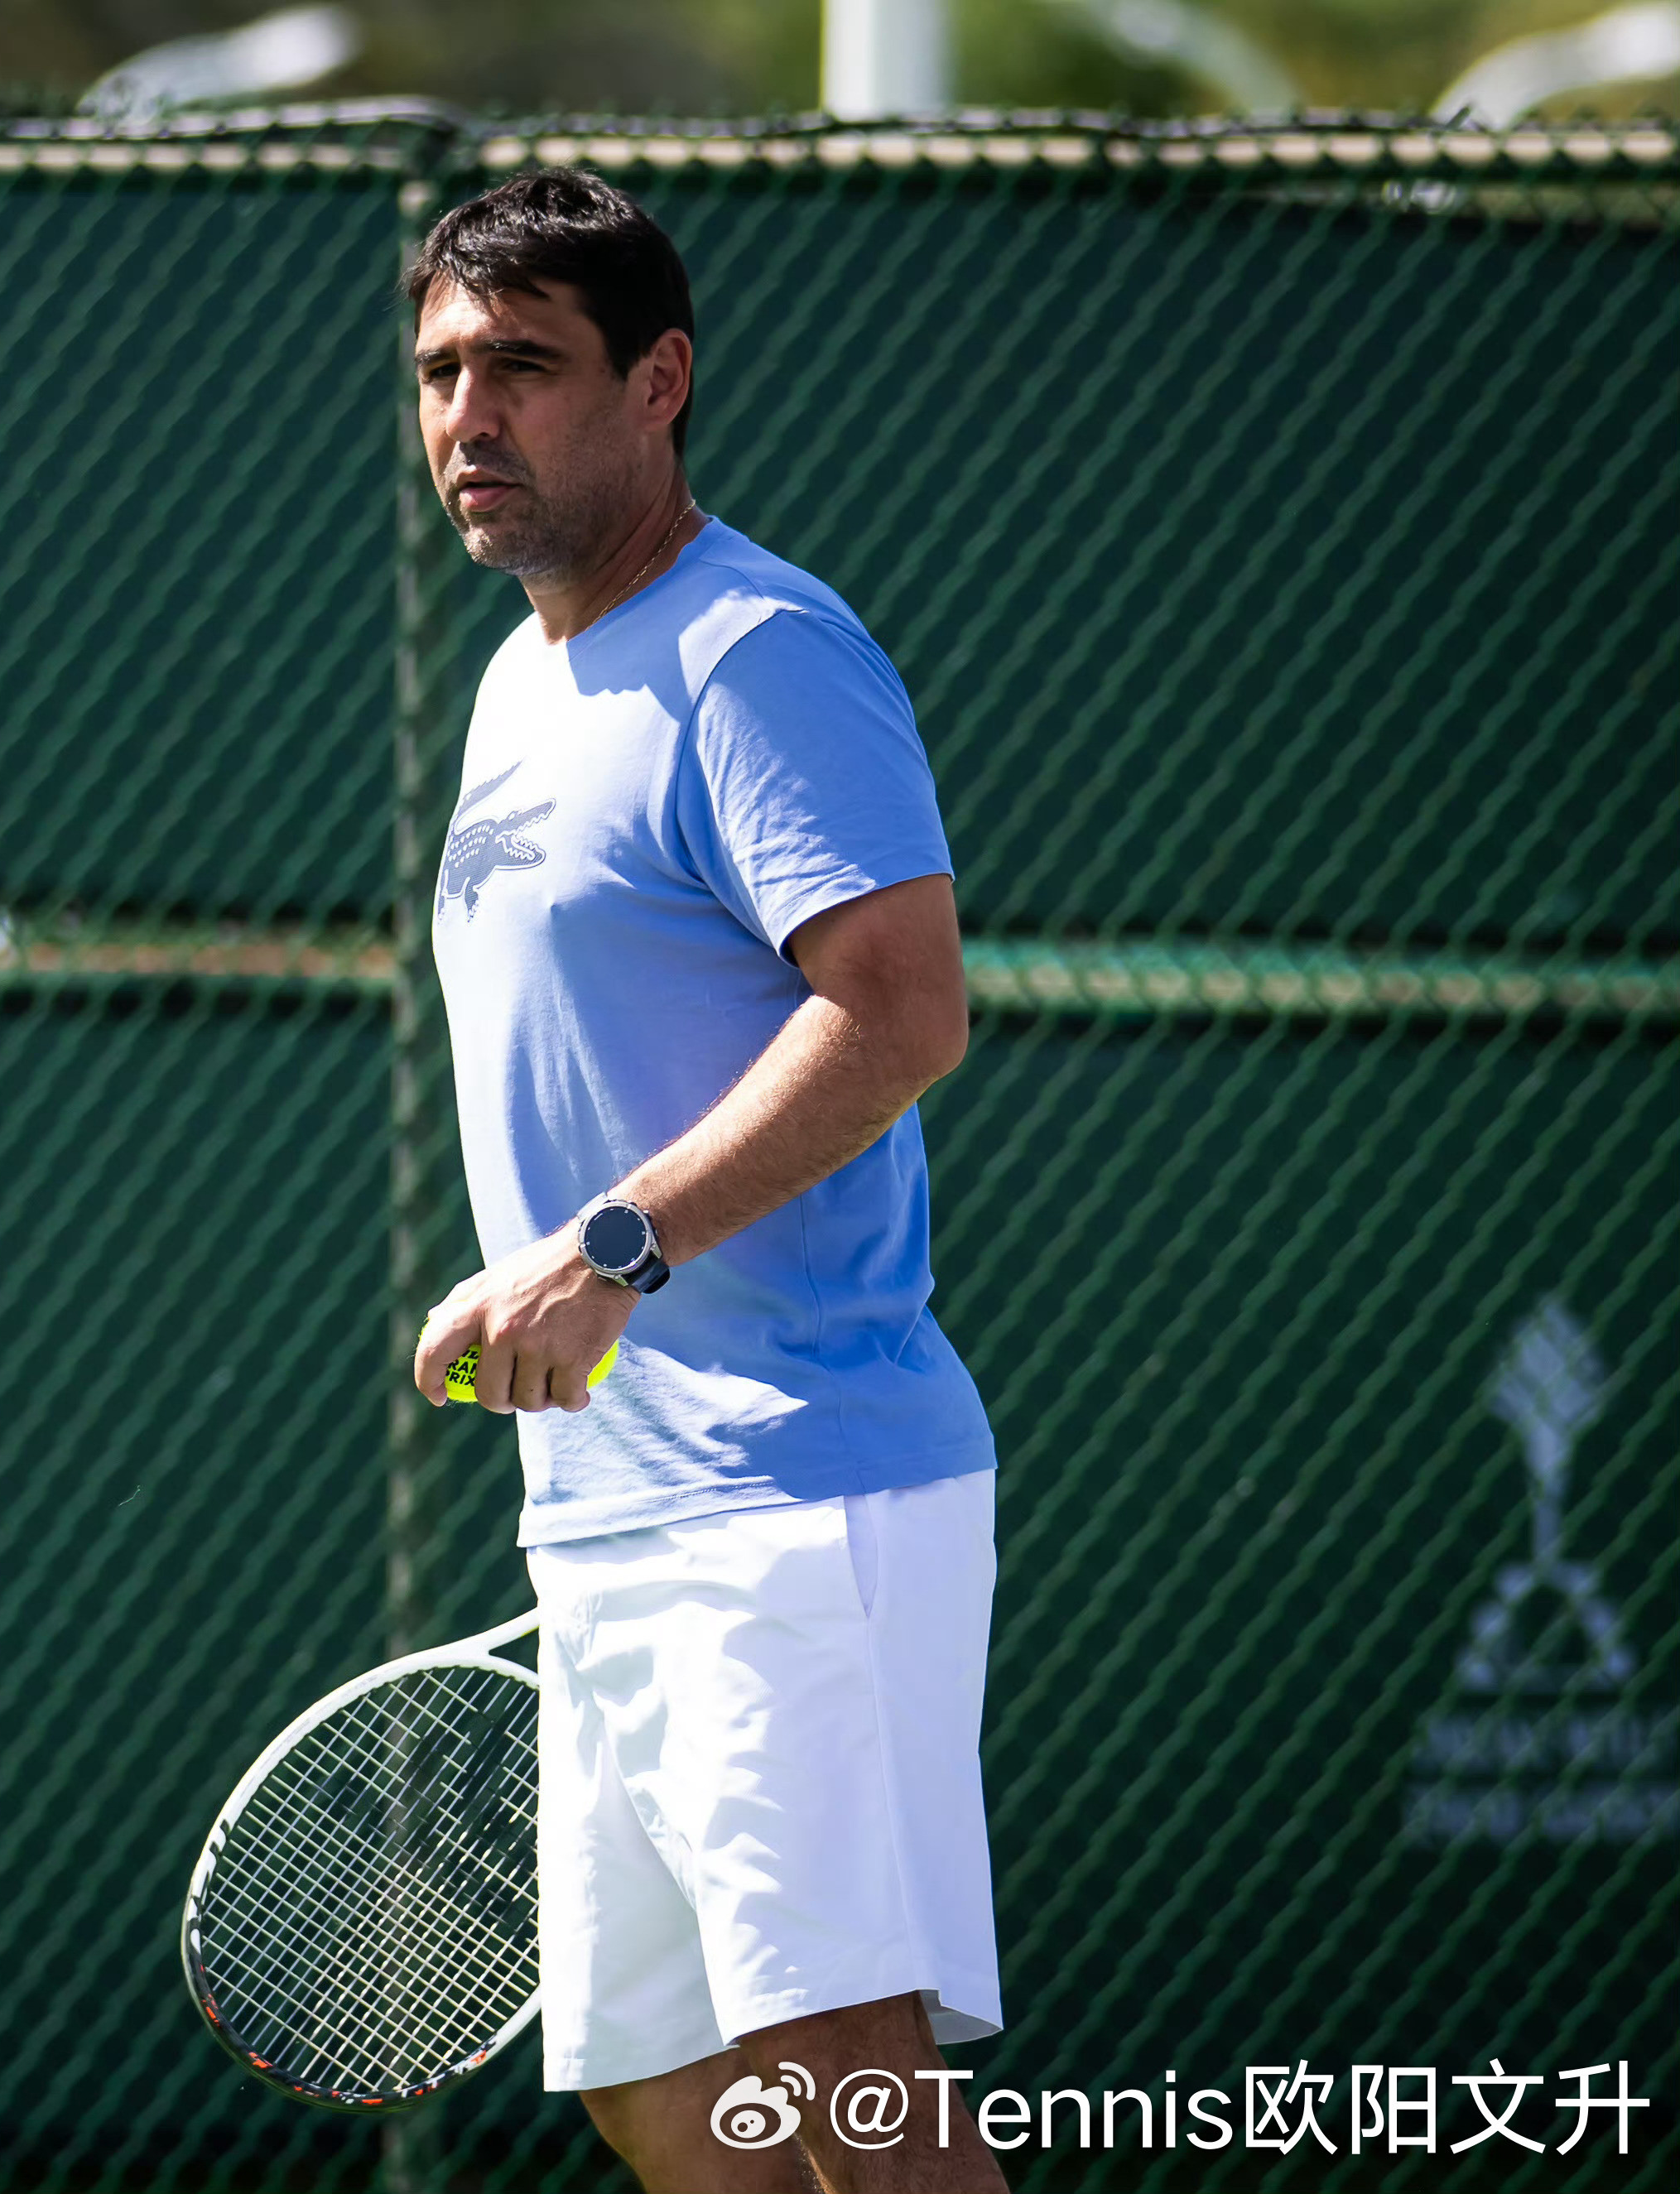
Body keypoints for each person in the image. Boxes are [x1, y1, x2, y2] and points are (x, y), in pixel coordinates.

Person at [401, 170, 1006, 2194]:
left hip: (793, 1494)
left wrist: (614, 1246)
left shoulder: (759, 651)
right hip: (604, 1508)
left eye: (523, 368)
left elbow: (900, 1007)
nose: (468, 417)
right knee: (666, 2097)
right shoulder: (517, 677)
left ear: (657, 383)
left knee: (847, 2089)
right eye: (439, 373)